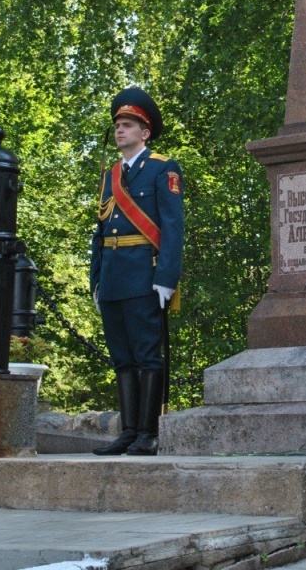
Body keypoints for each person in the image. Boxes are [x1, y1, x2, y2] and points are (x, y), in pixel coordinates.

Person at [90, 86, 184, 454]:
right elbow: (100, 232)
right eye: (117, 125)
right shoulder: (110, 175)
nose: (119, 130)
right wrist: (95, 280)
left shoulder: (163, 168)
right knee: (122, 357)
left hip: (146, 274)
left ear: (144, 133)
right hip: (113, 276)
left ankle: (148, 433)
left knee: (147, 355)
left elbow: (174, 227)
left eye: (127, 125)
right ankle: (128, 432)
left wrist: (166, 278)